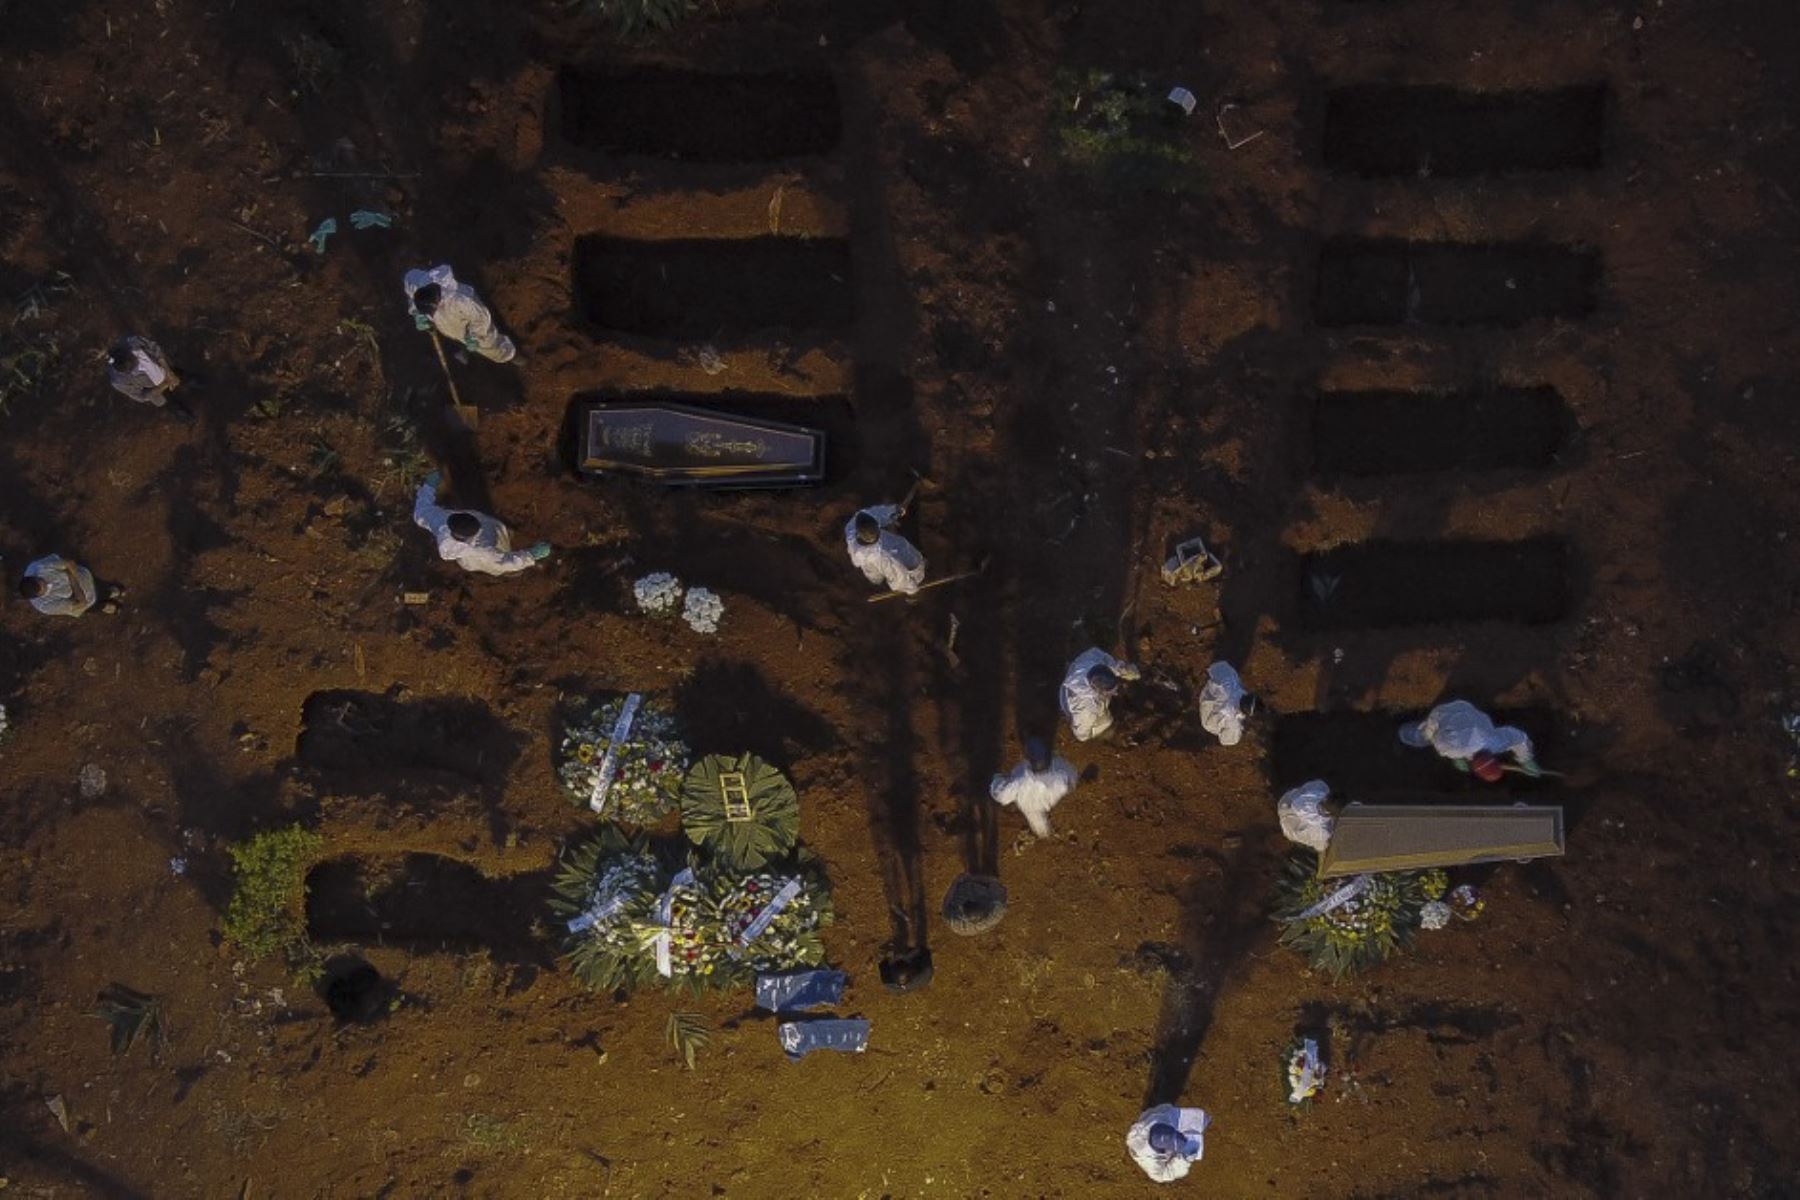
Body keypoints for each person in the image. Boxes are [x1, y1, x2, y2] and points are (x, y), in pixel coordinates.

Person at [412, 471, 549, 575]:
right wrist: (532, 555)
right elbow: (509, 561)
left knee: (475, 563)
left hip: (468, 563)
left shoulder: (442, 523)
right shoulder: (485, 550)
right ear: (474, 533)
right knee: (502, 562)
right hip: (493, 550)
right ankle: (512, 573)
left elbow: (422, 512)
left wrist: (429, 487)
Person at [1398, 699, 1539, 781]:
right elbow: (1439, 738)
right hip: (1444, 712)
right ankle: (1421, 732)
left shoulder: (1493, 743)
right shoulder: (1447, 749)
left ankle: (1425, 731)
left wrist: (1526, 758)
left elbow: (1519, 738)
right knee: (1429, 735)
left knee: (1445, 731)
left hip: (1468, 708)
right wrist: (1526, 759)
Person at [403, 265, 516, 363]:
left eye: (432, 313)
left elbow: (481, 317)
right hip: (451, 325)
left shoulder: (459, 300)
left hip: (471, 322)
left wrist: (474, 336)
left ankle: (510, 355)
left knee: (489, 344)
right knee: (456, 335)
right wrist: (416, 314)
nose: (431, 316)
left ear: (437, 302)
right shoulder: (416, 284)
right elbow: (410, 286)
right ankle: (464, 348)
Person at [989, 737, 1077, 838]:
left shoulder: (1020, 779)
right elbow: (1071, 777)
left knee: (1036, 820)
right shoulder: (1059, 769)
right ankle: (1045, 834)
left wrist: (996, 779)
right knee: (1038, 818)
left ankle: (1044, 834)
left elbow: (1002, 796)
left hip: (1029, 805)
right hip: (1047, 801)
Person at [1059, 647, 1140, 742]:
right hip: (1071, 703)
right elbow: (1081, 735)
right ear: (1098, 691)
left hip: (1074, 676)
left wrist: (1123, 670)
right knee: (1107, 722)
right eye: (1110, 690)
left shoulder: (1092, 658)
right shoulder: (1087, 708)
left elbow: (1106, 662)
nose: (1116, 692)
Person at [844, 503, 925, 596]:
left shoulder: (852, 528)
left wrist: (893, 511)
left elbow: (870, 515)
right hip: (910, 571)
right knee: (912, 573)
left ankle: (877, 583)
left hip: (874, 570)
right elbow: (899, 576)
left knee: (875, 578)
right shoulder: (881, 556)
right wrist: (912, 591)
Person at [1126, 1105, 1209, 1182]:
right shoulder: (1150, 1161)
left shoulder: (1159, 1117)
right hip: (1153, 1147)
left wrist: (1197, 1119)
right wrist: (1184, 1160)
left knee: (1202, 1119)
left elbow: (1172, 1112)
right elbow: (1161, 1176)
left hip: (1159, 1119)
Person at [106, 335, 181, 408]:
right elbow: (141, 396)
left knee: (184, 376)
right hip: (160, 391)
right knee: (175, 407)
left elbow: (154, 348)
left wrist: (168, 371)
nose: (137, 363)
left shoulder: (132, 342)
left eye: (134, 359)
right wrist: (165, 384)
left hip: (167, 368)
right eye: (133, 367)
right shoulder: (118, 381)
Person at [19, 554, 98, 617]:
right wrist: (73, 579)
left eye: (41, 580)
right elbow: (81, 603)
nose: (46, 584)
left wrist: (76, 589)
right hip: (91, 598)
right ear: (38, 596)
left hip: (86, 574)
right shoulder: (45, 605)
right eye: (44, 589)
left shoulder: (38, 567)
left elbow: (69, 563)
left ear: (34, 576)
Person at [1197, 660, 1251, 746]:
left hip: (1207, 696)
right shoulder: (1233, 723)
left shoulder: (1230, 682)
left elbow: (1218, 667)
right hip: (1208, 717)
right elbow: (1226, 740)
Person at [1277, 779, 1335, 853]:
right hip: (1290, 830)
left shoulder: (1319, 787)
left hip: (1284, 803)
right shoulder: (1322, 832)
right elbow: (1321, 847)